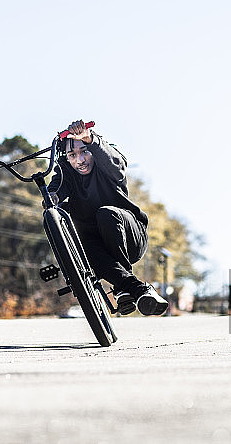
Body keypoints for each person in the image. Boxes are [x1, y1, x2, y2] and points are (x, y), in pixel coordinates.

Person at [47, 119, 168, 316]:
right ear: (66, 158)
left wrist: (90, 139)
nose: (80, 160)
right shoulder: (66, 171)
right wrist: (51, 197)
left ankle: (122, 286)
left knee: (105, 213)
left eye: (84, 151)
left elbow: (117, 165)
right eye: (72, 155)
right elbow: (56, 188)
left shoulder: (105, 163)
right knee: (82, 243)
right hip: (100, 248)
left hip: (130, 236)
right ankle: (135, 289)